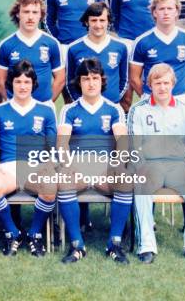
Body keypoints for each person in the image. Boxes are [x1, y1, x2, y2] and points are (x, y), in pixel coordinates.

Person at [128, 63, 185, 264]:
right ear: (150, 85)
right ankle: (146, 246)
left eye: (166, 83)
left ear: (173, 84)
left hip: (177, 166)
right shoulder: (138, 110)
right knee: (141, 186)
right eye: (157, 83)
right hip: (151, 166)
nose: (162, 87)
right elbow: (133, 145)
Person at [58, 58, 132, 264]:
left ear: (102, 81)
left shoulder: (113, 109)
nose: (91, 83)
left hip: (104, 169)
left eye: (95, 78)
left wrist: (117, 163)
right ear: (79, 82)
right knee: (64, 181)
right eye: (86, 79)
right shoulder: (69, 110)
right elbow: (62, 144)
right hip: (79, 167)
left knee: (125, 181)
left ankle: (114, 243)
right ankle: (76, 245)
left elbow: (122, 141)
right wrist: (67, 165)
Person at [0, 60, 58, 256]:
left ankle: (35, 234)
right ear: (11, 84)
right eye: (18, 82)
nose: (22, 86)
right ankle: (12, 233)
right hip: (8, 168)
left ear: (34, 84)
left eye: (27, 82)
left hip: (36, 166)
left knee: (50, 186)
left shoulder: (46, 110)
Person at [110, 0, 167, 110]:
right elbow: (115, 15)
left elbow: (165, 15)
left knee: (154, 91)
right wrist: (125, 35)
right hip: (127, 43)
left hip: (152, 44)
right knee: (125, 97)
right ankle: (125, 134)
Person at [129, 0, 185, 107]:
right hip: (151, 100)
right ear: (154, 13)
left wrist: (180, 93)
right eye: (161, 9)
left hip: (180, 100)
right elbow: (134, 78)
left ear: (177, 12)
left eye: (170, 8)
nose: (166, 13)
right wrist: (147, 96)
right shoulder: (142, 41)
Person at [0, 0, 64, 104]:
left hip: (43, 106)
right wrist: (11, 102)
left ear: (41, 15)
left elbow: (60, 79)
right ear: (18, 14)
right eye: (26, 12)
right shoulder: (6, 44)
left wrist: (47, 103)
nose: (30, 17)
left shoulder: (51, 43)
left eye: (35, 12)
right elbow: (1, 80)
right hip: (15, 107)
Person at [66, 2, 128, 104]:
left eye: (102, 20)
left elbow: (124, 80)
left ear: (108, 22)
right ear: (86, 22)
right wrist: (80, 103)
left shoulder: (120, 47)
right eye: (94, 20)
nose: (98, 25)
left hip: (112, 107)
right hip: (83, 108)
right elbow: (70, 83)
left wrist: (113, 101)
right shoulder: (73, 48)